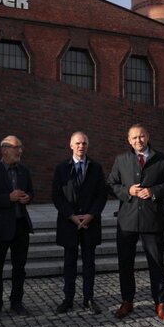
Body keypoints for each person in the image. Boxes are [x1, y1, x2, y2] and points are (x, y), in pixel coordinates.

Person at [107, 124, 164, 321]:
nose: (138, 140)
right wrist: (127, 191)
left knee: (156, 263)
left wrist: (154, 191)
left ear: (148, 136)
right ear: (129, 140)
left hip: (152, 219)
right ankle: (127, 301)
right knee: (125, 263)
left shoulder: (162, 159)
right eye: (134, 138)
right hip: (127, 221)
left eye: (142, 136)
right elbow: (111, 184)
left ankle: (160, 303)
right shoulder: (121, 160)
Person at [52, 131, 108, 314]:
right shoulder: (61, 169)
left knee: (89, 264)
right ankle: (68, 299)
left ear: (87, 145)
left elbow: (102, 195)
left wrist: (91, 215)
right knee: (69, 264)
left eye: (84, 143)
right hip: (69, 223)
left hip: (90, 223)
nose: (81, 146)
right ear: (71, 145)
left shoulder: (96, 168)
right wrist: (72, 216)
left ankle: (88, 298)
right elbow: (57, 196)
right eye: (77, 143)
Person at [0, 135, 34, 319]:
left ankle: (16, 302)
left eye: (21, 147)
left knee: (20, 267)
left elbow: (31, 191)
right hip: (0, 227)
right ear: (4, 150)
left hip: (21, 227)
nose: (20, 151)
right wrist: (7, 198)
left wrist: (28, 198)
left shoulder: (24, 170)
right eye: (15, 147)